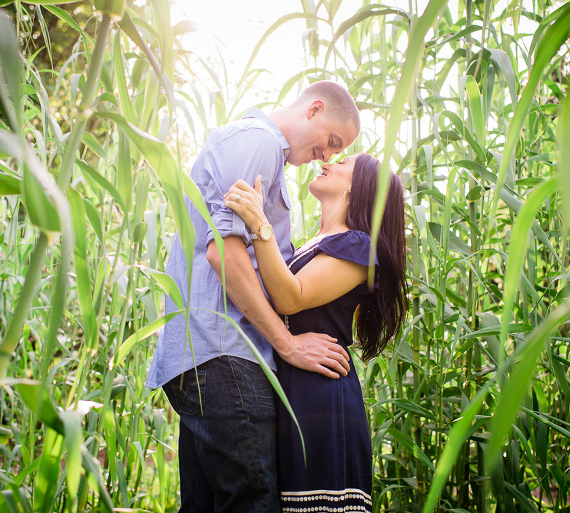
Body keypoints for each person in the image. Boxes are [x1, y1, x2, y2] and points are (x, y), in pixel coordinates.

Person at [146, 81, 361, 512]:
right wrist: (287, 344)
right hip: (227, 353)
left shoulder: (265, 156)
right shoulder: (259, 141)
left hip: (206, 355)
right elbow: (222, 253)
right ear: (314, 109)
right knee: (253, 501)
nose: (327, 155)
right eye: (331, 142)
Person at [223, 153, 408, 512]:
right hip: (295, 384)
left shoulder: (358, 246)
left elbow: (291, 297)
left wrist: (260, 224)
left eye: (343, 162)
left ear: (359, 187)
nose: (329, 162)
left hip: (321, 395)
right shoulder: (313, 244)